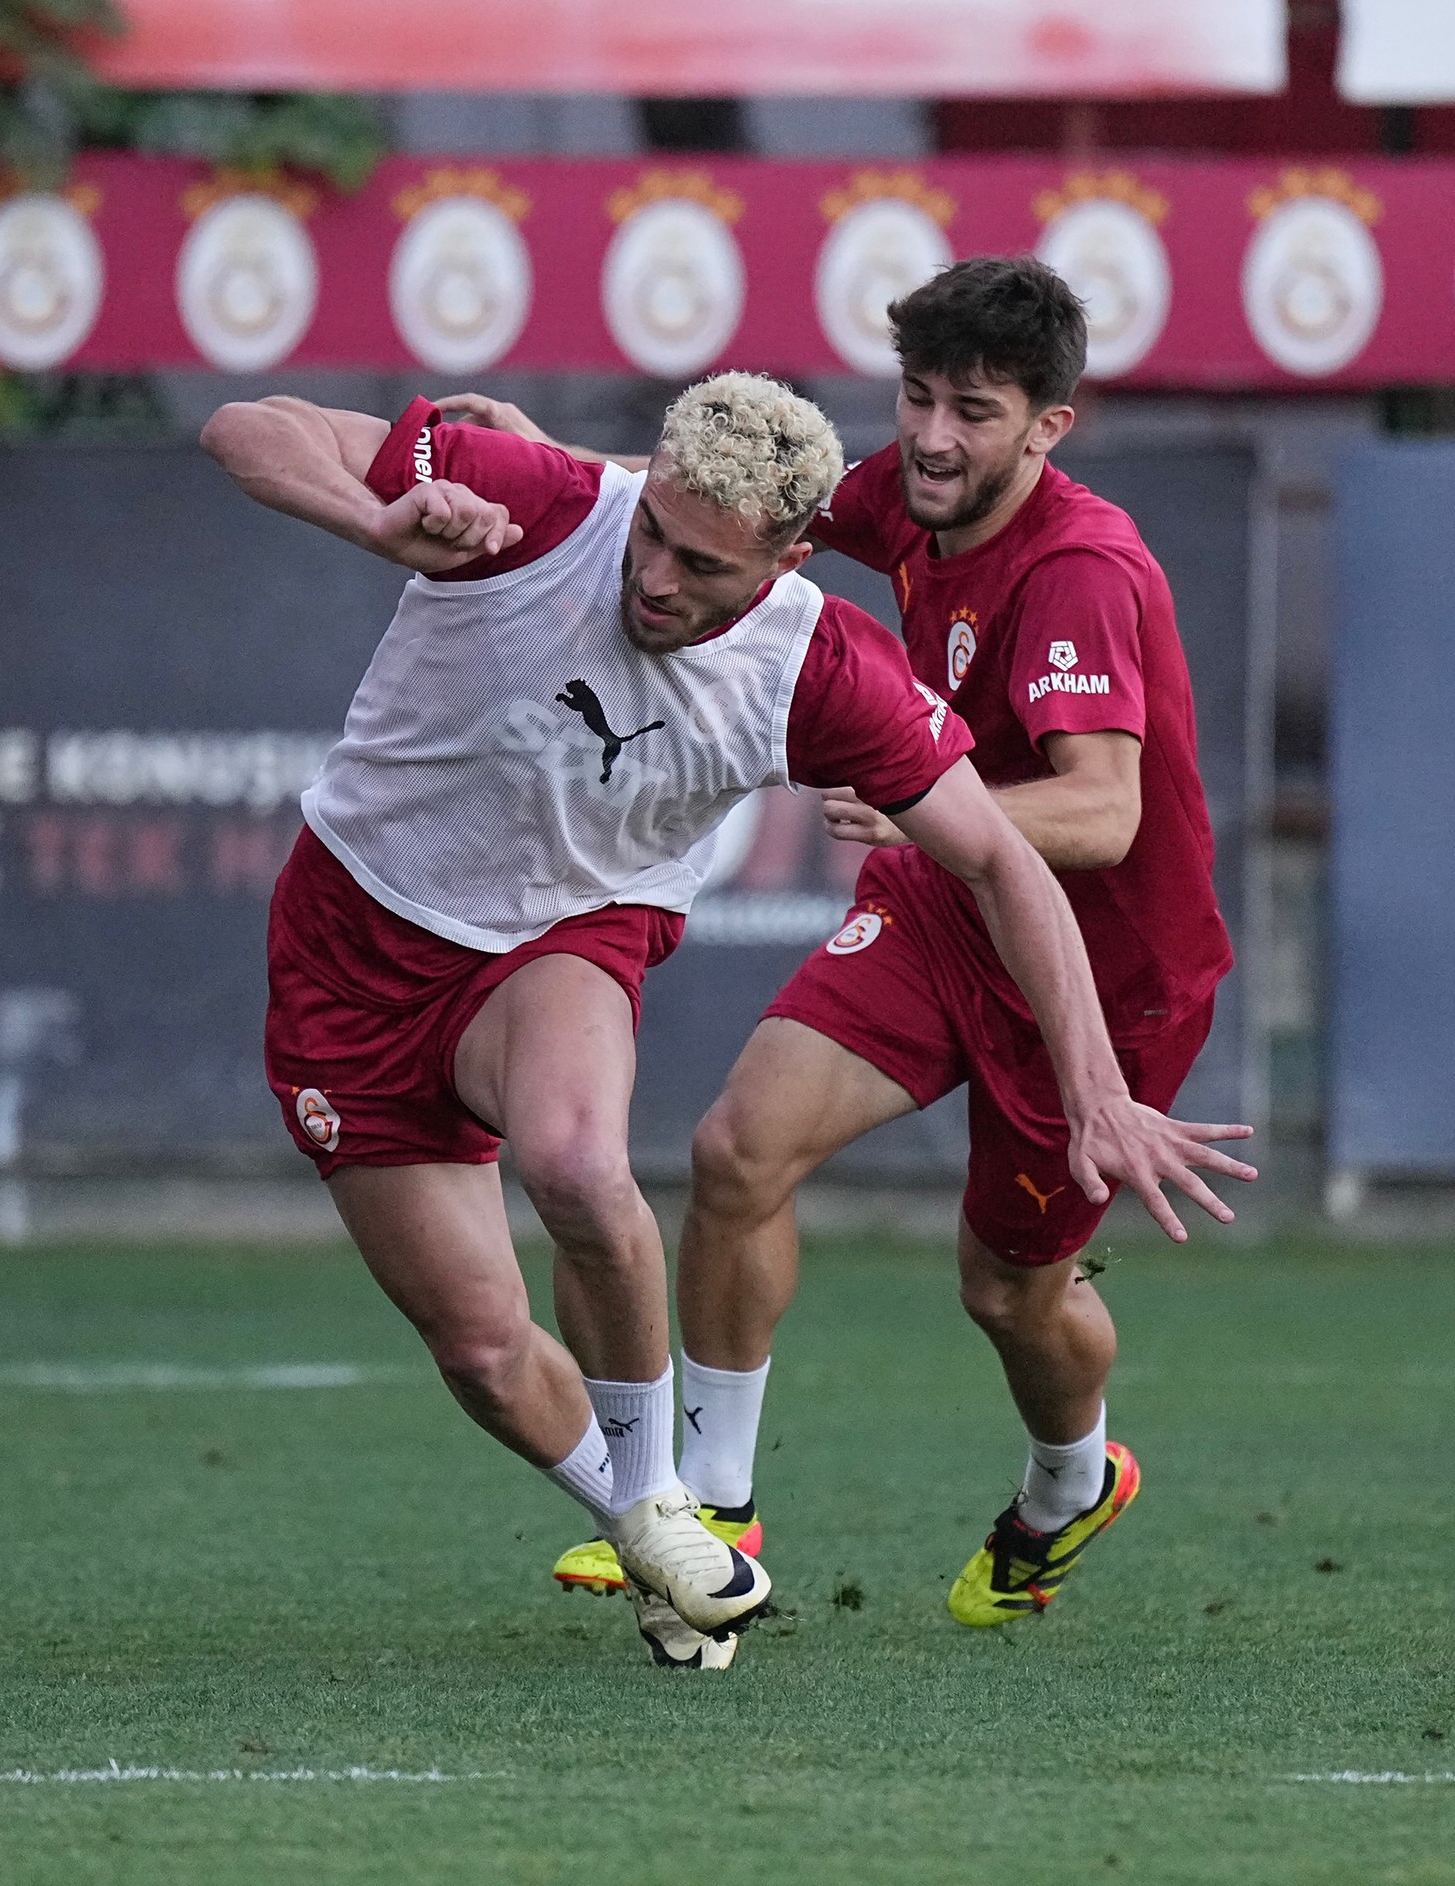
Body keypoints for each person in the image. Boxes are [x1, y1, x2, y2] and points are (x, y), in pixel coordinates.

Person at [201, 366, 1250, 1671]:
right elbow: (249, 428)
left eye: (701, 568)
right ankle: (649, 1523)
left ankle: (700, 1504)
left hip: (565, 938)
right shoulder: (539, 506)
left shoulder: (815, 667)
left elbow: (1001, 857)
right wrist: (372, 524)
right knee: (477, 1347)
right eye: (653, 535)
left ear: (787, 559)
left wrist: (1095, 1087)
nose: (653, 581)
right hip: (350, 950)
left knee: (582, 1164)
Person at [499, 257, 1253, 1642]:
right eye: (915, 397)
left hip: (1102, 972)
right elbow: (712, 504)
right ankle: (711, 1508)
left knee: (1007, 1292)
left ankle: (1069, 1482)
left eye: (973, 409)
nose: (930, 436)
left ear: (1047, 427)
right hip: (940, 904)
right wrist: (538, 469)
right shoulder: (905, 494)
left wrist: (925, 805)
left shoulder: (1078, 568)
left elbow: (1099, 809)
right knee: (737, 1151)